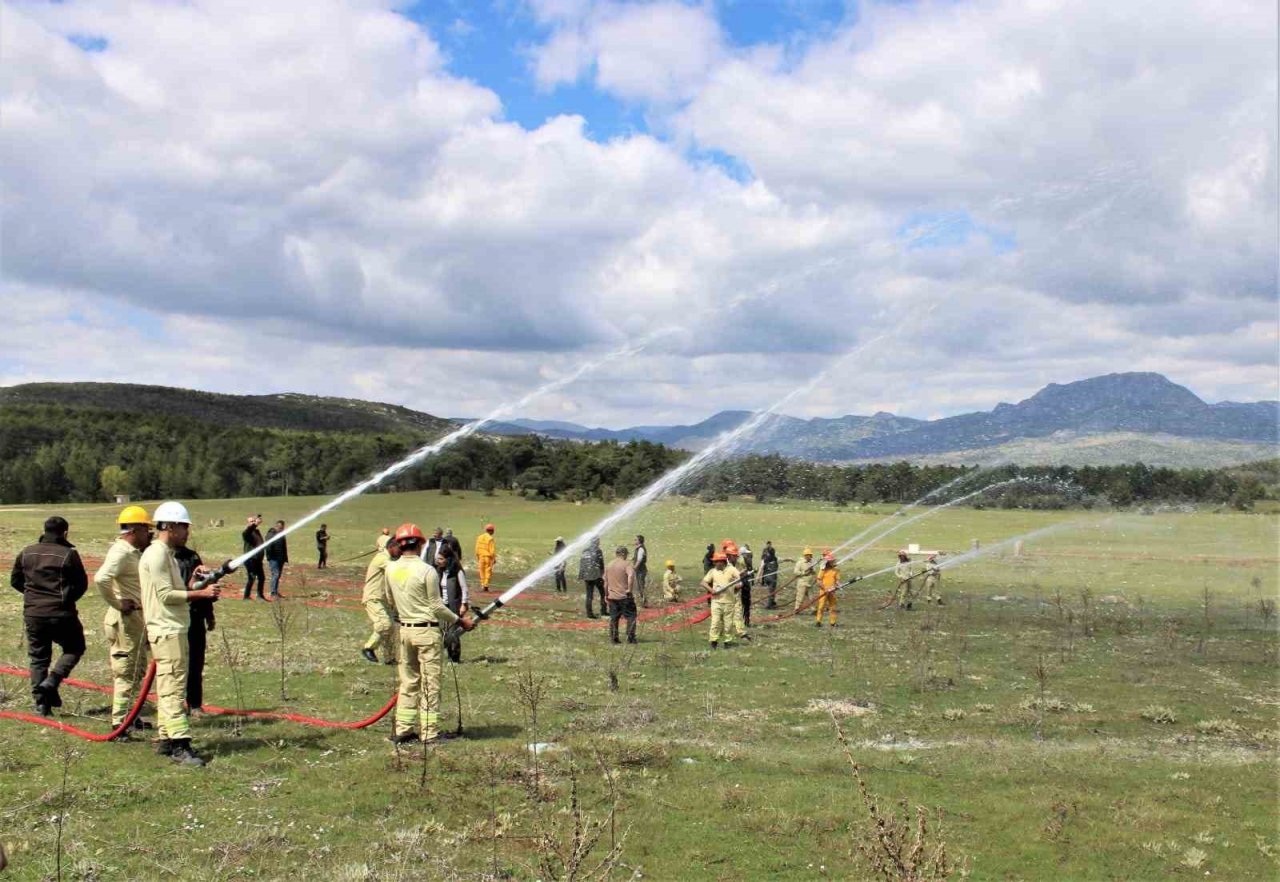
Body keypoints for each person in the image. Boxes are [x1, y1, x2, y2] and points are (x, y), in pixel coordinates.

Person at [139, 502, 220, 765]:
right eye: (184, 527)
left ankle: (165, 739)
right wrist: (201, 594)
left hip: (172, 628)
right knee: (174, 688)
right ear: (170, 526)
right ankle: (180, 744)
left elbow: (175, 588)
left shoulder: (167, 554)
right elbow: (166, 595)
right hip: (168, 629)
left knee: (166, 686)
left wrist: (201, 581)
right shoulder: (158, 555)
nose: (187, 532)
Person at [385, 523, 473, 744]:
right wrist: (460, 620)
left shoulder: (390, 569)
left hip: (405, 631)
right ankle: (429, 734)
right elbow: (436, 606)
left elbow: (389, 599)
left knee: (408, 682)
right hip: (426, 632)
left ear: (399, 544)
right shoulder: (427, 570)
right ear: (421, 543)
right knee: (429, 685)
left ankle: (403, 731)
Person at [11, 516, 88, 716]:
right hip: (61, 612)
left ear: (44, 531)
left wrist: (33, 596)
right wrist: (65, 599)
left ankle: (41, 703)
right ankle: (53, 681)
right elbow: (81, 584)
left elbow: (16, 581)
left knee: (38, 658)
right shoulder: (68, 554)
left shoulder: (26, 552)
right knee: (75, 647)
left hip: (34, 613)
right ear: (65, 533)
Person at [93, 505, 154, 731]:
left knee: (137, 669)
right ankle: (120, 723)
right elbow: (101, 579)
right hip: (125, 621)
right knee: (127, 672)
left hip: (135, 620)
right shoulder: (121, 552)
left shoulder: (131, 552)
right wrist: (118, 603)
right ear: (135, 529)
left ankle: (131, 716)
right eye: (147, 529)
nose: (149, 534)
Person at [174, 544, 215, 713]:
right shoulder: (161, 555)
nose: (185, 532)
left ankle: (195, 704)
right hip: (174, 618)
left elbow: (202, 585)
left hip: (195, 616)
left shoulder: (192, 556)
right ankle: (174, 706)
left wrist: (209, 614)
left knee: (196, 663)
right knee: (175, 664)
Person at [361, 536, 401, 664]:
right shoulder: (382, 558)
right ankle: (368, 648)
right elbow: (397, 571)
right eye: (399, 548)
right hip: (373, 597)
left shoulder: (388, 558)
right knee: (385, 624)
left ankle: (390, 658)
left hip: (383, 599)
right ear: (391, 547)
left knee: (390, 629)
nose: (400, 551)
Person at [436, 547, 469, 664]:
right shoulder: (440, 572)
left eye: (441, 559)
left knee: (454, 631)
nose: (438, 561)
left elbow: (464, 589)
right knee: (444, 630)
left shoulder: (458, 572)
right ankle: (448, 654)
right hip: (443, 605)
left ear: (448, 559)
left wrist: (464, 605)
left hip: (454, 605)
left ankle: (455, 657)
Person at [701, 552, 740, 649]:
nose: (714, 564)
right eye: (714, 562)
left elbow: (740, 581)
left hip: (729, 602)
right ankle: (713, 642)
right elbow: (703, 582)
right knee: (715, 623)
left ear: (721, 562)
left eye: (716, 562)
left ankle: (728, 642)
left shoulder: (732, 570)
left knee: (728, 624)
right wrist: (711, 590)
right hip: (716, 602)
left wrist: (738, 586)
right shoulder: (713, 571)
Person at [604, 546, 638, 645]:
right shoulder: (626, 564)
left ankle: (614, 638)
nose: (627, 556)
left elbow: (605, 582)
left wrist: (606, 595)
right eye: (626, 554)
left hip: (612, 597)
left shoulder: (609, 565)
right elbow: (631, 576)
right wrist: (629, 590)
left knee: (614, 618)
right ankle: (630, 638)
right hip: (624, 596)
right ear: (623, 554)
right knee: (631, 616)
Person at [722, 540, 750, 641]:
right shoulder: (723, 564)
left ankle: (742, 633)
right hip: (726, 594)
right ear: (729, 555)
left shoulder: (738, 562)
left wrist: (741, 582)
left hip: (736, 592)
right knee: (725, 614)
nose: (736, 556)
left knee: (738, 611)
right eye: (734, 555)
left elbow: (740, 577)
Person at [578, 537, 606, 619]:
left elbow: (582, 563)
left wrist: (581, 575)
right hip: (596, 575)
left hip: (587, 575)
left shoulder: (585, 550)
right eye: (598, 541)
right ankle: (603, 611)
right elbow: (601, 563)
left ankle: (589, 613)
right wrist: (602, 573)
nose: (599, 543)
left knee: (589, 595)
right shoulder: (598, 550)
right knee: (602, 593)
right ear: (596, 542)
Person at [241, 515, 266, 600]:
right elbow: (249, 530)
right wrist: (255, 524)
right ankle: (246, 596)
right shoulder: (246, 533)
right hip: (250, 559)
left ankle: (260, 595)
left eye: (253, 521)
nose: (253, 522)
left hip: (258, 559)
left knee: (262, 577)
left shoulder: (257, 532)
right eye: (251, 521)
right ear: (248, 523)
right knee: (252, 577)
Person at [264, 520, 289, 599]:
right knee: (275, 574)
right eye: (280, 527)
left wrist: (285, 558)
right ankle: (273, 592)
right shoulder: (271, 534)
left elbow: (283, 547)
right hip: (273, 559)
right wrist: (269, 557)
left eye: (282, 528)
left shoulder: (281, 535)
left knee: (278, 575)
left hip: (280, 559)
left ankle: (275, 591)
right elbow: (268, 547)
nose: (281, 529)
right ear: (276, 526)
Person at [815, 552, 839, 627]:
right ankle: (818, 621)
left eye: (833, 561)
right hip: (823, 591)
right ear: (828, 562)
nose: (833, 562)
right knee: (821, 606)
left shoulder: (836, 571)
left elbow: (837, 581)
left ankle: (833, 622)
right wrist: (824, 588)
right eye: (832, 561)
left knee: (833, 607)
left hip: (832, 591)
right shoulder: (822, 570)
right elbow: (818, 580)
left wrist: (837, 585)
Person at [474, 523, 497, 592]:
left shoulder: (479, 537)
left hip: (481, 556)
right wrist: (494, 558)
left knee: (481, 571)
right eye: (493, 530)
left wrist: (477, 556)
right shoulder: (490, 538)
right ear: (491, 531)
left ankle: (482, 584)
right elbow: (492, 550)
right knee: (488, 571)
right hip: (488, 558)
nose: (493, 532)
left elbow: (476, 548)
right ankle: (486, 585)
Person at [793, 548, 816, 613]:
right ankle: (797, 609)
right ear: (805, 555)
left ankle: (813, 609)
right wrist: (804, 573)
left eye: (811, 555)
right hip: (802, 583)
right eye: (809, 555)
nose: (810, 557)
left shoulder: (812, 563)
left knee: (811, 597)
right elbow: (795, 572)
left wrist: (812, 571)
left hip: (810, 583)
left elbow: (814, 572)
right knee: (800, 596)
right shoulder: (800, 563)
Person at [739, 542, 755, 627]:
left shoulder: (741, 560)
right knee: (745, 603)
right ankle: (746, 621)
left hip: (744, 583)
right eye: (746, 554)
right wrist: (748, 573)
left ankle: (745, 620)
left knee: (744, 604)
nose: (747, 555)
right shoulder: (742, 561)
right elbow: (741, 573)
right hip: (743, 584)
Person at [760, 541, 779, 609]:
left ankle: (772, 602)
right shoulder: (775, 559)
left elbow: (761, 567)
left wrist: (758, 577)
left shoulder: (766, 559)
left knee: (771, 590)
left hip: (766, 577)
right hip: (772, 578)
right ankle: (769, 605)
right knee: (772, 590)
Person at [633, 535, 649, 608]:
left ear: (639, 541)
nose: (634, 540)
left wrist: (634, 568)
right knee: (640, 586)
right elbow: (637, 558)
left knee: (641, 586)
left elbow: (639, 560)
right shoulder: (639, 549)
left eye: (635, 539)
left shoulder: (641, 549)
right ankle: (643, 601)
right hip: (640, 570)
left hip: (641, 570)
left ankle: (644, 602)